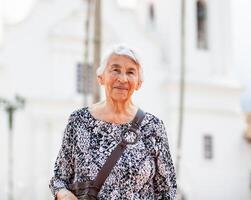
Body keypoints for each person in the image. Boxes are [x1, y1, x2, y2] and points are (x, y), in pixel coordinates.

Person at [49, 45, 177, 200]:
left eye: (130, 72)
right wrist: (63, 194)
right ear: (101, 78)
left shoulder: (153, 127)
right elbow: (59, 179)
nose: (122, 79)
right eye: (115, 70)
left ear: (139, 83)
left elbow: (167, 190)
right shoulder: (79, 121)